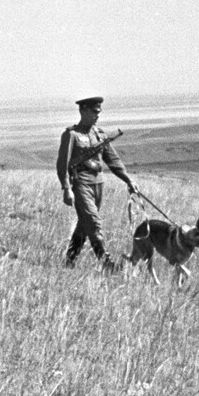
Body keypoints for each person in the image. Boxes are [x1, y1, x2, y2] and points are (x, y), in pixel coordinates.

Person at [56, 96, 137, 271]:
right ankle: (106, 263)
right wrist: (66, 188)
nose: (97, 115)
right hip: (81, 184)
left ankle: (69, 261)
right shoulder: (71, 135)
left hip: (98, 184)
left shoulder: (100, 135)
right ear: (83, 111)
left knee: (84, 225)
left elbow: (113, 161)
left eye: (99, 112)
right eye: (94, 112)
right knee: (93, 222)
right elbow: (62, 163)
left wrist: (128, 180)